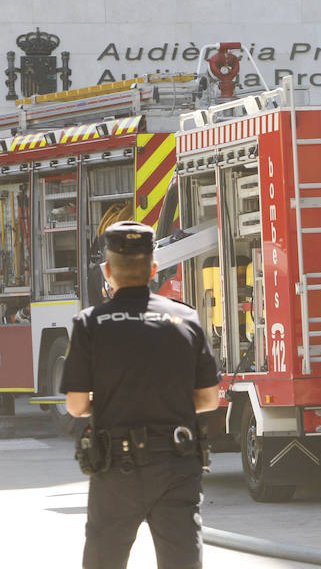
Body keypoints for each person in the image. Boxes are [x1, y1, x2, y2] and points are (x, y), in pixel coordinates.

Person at [60, 221, 221, 569]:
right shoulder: (186, 318)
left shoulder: (89, 324)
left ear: (107, 270)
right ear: (153, 268)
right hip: (177, 464)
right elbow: (209, 399)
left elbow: (75, 406)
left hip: (116, 467)